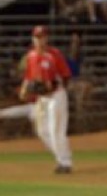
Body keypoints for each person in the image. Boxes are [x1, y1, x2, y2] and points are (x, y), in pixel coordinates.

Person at [19, 25, 74, 174]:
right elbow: (29, 76)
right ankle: (62, 157)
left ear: (46, 38)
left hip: (56, 96)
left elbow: (66, 75)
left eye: (42, 37)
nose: (39, 40)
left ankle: (65, 162)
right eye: (36, 37)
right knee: (42, 131)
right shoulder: (30, 56)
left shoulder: (54, 54)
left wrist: (53, 86)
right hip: (42, 99)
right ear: (33, 39)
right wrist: (24, 89)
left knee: (56, 130)